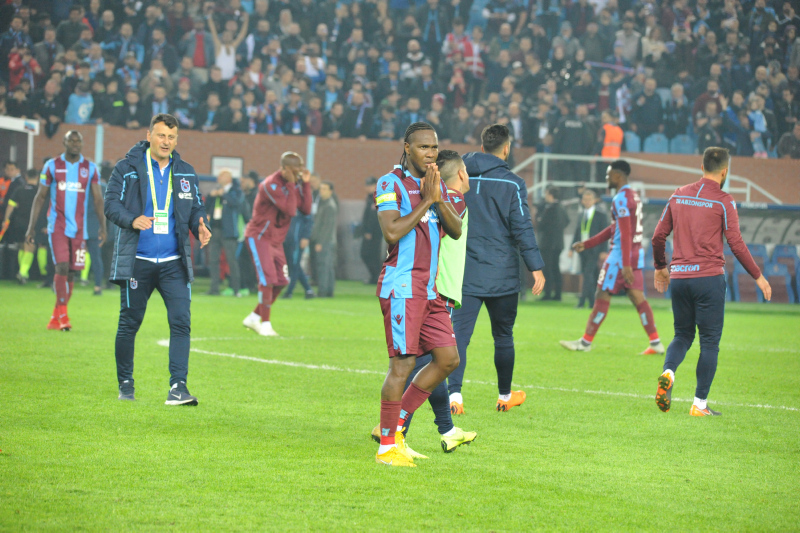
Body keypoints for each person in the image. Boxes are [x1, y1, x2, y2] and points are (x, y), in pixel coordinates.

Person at [371, 149, 478, 456]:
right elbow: (392, 231)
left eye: (434, 147)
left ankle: (405, 427)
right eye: (423, 147)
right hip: (414, 288)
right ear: (407, 148)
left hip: (432, 290)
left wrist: (435, 197)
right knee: (406, 364)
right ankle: (392, 441)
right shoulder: (395, 184)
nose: (429, 153)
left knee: (445, 360)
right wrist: (428, 199)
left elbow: (454, 230)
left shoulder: (441, 193)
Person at [651, 147, 772, 417]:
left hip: (680, 277)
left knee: (682, 335)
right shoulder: (724, 201)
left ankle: (668, 373)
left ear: (701, 166)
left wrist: (660, 267)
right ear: (725, 171)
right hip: (708, 279)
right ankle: (699, 404)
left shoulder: (678, 194)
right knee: (709, 342)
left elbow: (658, 236)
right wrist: (758, 275)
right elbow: (736, 243)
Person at [104, 113, 211, 404]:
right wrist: (131, 219)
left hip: (175, 263)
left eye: (172, 137)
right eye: (161, 135)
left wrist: (200, 225)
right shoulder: (127, 168)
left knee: (181, 322)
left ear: (177, 140)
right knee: (129, 323)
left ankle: (178, 387)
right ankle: (126, 383)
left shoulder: (186, 171)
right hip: (138, 260)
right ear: (149, 135)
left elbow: (196, 208)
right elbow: (110, 204)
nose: (166, 141)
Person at [448, 124, 545, 415]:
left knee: (458, 335)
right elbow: (522, 227)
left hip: (464, 270)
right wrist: (536, 267)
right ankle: (504, 396)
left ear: (481, 147)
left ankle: (455, 396)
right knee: (503, 335)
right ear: (506, 149)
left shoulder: (458, 175)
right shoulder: (512, 183)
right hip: (502, 272)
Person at [559, 160, 665, 355]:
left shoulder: (620, 198)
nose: (606, 178)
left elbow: (624, 233)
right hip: (636, 254)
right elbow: (616, 228)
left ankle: (585, 343)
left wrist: (625, 265)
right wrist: (588, 243)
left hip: (619, 257)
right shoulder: (633, 195)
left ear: (617, 175)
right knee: (637, 297)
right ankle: (656, 342)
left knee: (601, 295)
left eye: (608, 175)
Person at [25, 131, 106, 331]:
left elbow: (98, 199)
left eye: (79, 141)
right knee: (61, 267)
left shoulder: (90, 168)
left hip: (80, 229)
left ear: (82, 143)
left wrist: (103, 226)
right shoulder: (51, 166)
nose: (75, 144)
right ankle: (64, 317)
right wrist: (31, 227)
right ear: (65, 142)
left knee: (71, 273)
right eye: (71, 140)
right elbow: (40, 197)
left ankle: (56, 316)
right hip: (57, 226)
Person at [242, 152, 313, 337]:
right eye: (295, 170)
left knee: (282, 281)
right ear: (284, 169)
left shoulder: (294, 183)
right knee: (267, 280)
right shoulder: (270, 184)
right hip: (260, 236)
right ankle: (265, 324)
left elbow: (306, 209)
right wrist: (292, 184)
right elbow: (290, 210)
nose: (298, 174)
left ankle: (254, 317)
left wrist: (305, 185)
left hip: (276, 240)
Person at [205, 169, 246, 297]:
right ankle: (214, 288)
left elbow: (236, 203)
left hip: (229, 231)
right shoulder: (217, 191)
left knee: (231, 260)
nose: (218, 178)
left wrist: (224, 194)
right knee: (213, 260)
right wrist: (211, 196)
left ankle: (236, 289)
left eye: (221, 176)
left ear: (228, 178)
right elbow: (206, 207)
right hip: (215, 229)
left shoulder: (236, 191)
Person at [0, 169, 41, 283]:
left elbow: (10, 206)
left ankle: (22, 272)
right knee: (30, 247)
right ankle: (23, 272)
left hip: (18, 223)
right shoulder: (39, 191)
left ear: (26, 177)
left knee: (22, 246)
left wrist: (6, 220)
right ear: (37, 178)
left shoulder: (19, 189)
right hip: (32, 224)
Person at [570, 189, 608, 308]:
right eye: (585, 199)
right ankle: (592, 303)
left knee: (587, 275)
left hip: (595, 249)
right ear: (582, 201)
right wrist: (571, 248)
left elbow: (605, 234)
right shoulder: (581, 214)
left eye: (589, 199)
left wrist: (604, 250)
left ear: (594, 200)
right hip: (582, 249)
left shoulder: (600, 215)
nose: (587, 202)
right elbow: (577, 232)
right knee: (589, 276)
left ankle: (581, 301)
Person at [536, 187, 570, 301]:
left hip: (548, 243)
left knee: (548, 269)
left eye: (546, 194)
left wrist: (539, 220)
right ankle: (558, 294)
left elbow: (542, 225)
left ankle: (548, 293)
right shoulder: (561, 207)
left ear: (550, 195)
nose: (545, 196)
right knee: (555, 268)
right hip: (558, 243)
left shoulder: (550, 208)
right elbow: (567, 221)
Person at [81, 172, 107, 295]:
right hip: (95, 227)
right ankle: (97, 286)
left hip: (81, 226)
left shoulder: (81, 188)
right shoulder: (102, 188)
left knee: (72, 256)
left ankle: (66, 283)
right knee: (96, 258)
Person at [310, 181, 338, 298]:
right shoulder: (322, 203)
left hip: (326, 241)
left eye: (324, 189)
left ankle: (322, 292)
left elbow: (327, 227)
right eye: (321, 188)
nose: (321, 191)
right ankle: (329, 291)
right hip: (327, 241)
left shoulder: (329, 206)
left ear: (330, 191)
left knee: (323, 267)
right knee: (328, 267)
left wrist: (320, 242)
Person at [357, 177, 383, 284]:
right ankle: (375, 277)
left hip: (375, 233)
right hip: (369, 232)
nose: (367, 187)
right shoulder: (369, 198)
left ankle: (377, 277)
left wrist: (369, 231)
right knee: (367, 254)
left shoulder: (378, 197)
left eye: (370, 185)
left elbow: (374, 217)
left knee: (371, 255)